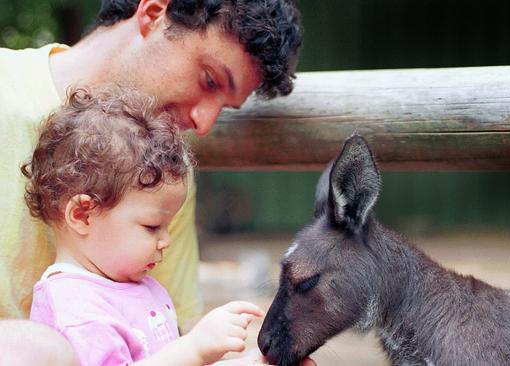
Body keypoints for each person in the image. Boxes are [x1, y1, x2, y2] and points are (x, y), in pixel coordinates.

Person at [1, 0, 314, 365]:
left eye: (224, 108)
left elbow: (164, 343)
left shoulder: (161, 181)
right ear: (153, 14)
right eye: (209, 79)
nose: (205, 123)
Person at [24, 86, 268, 365]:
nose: (166, 241)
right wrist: (195, 347)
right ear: (82, 215)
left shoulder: (133, 285)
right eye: (152, 226)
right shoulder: (73, 307)